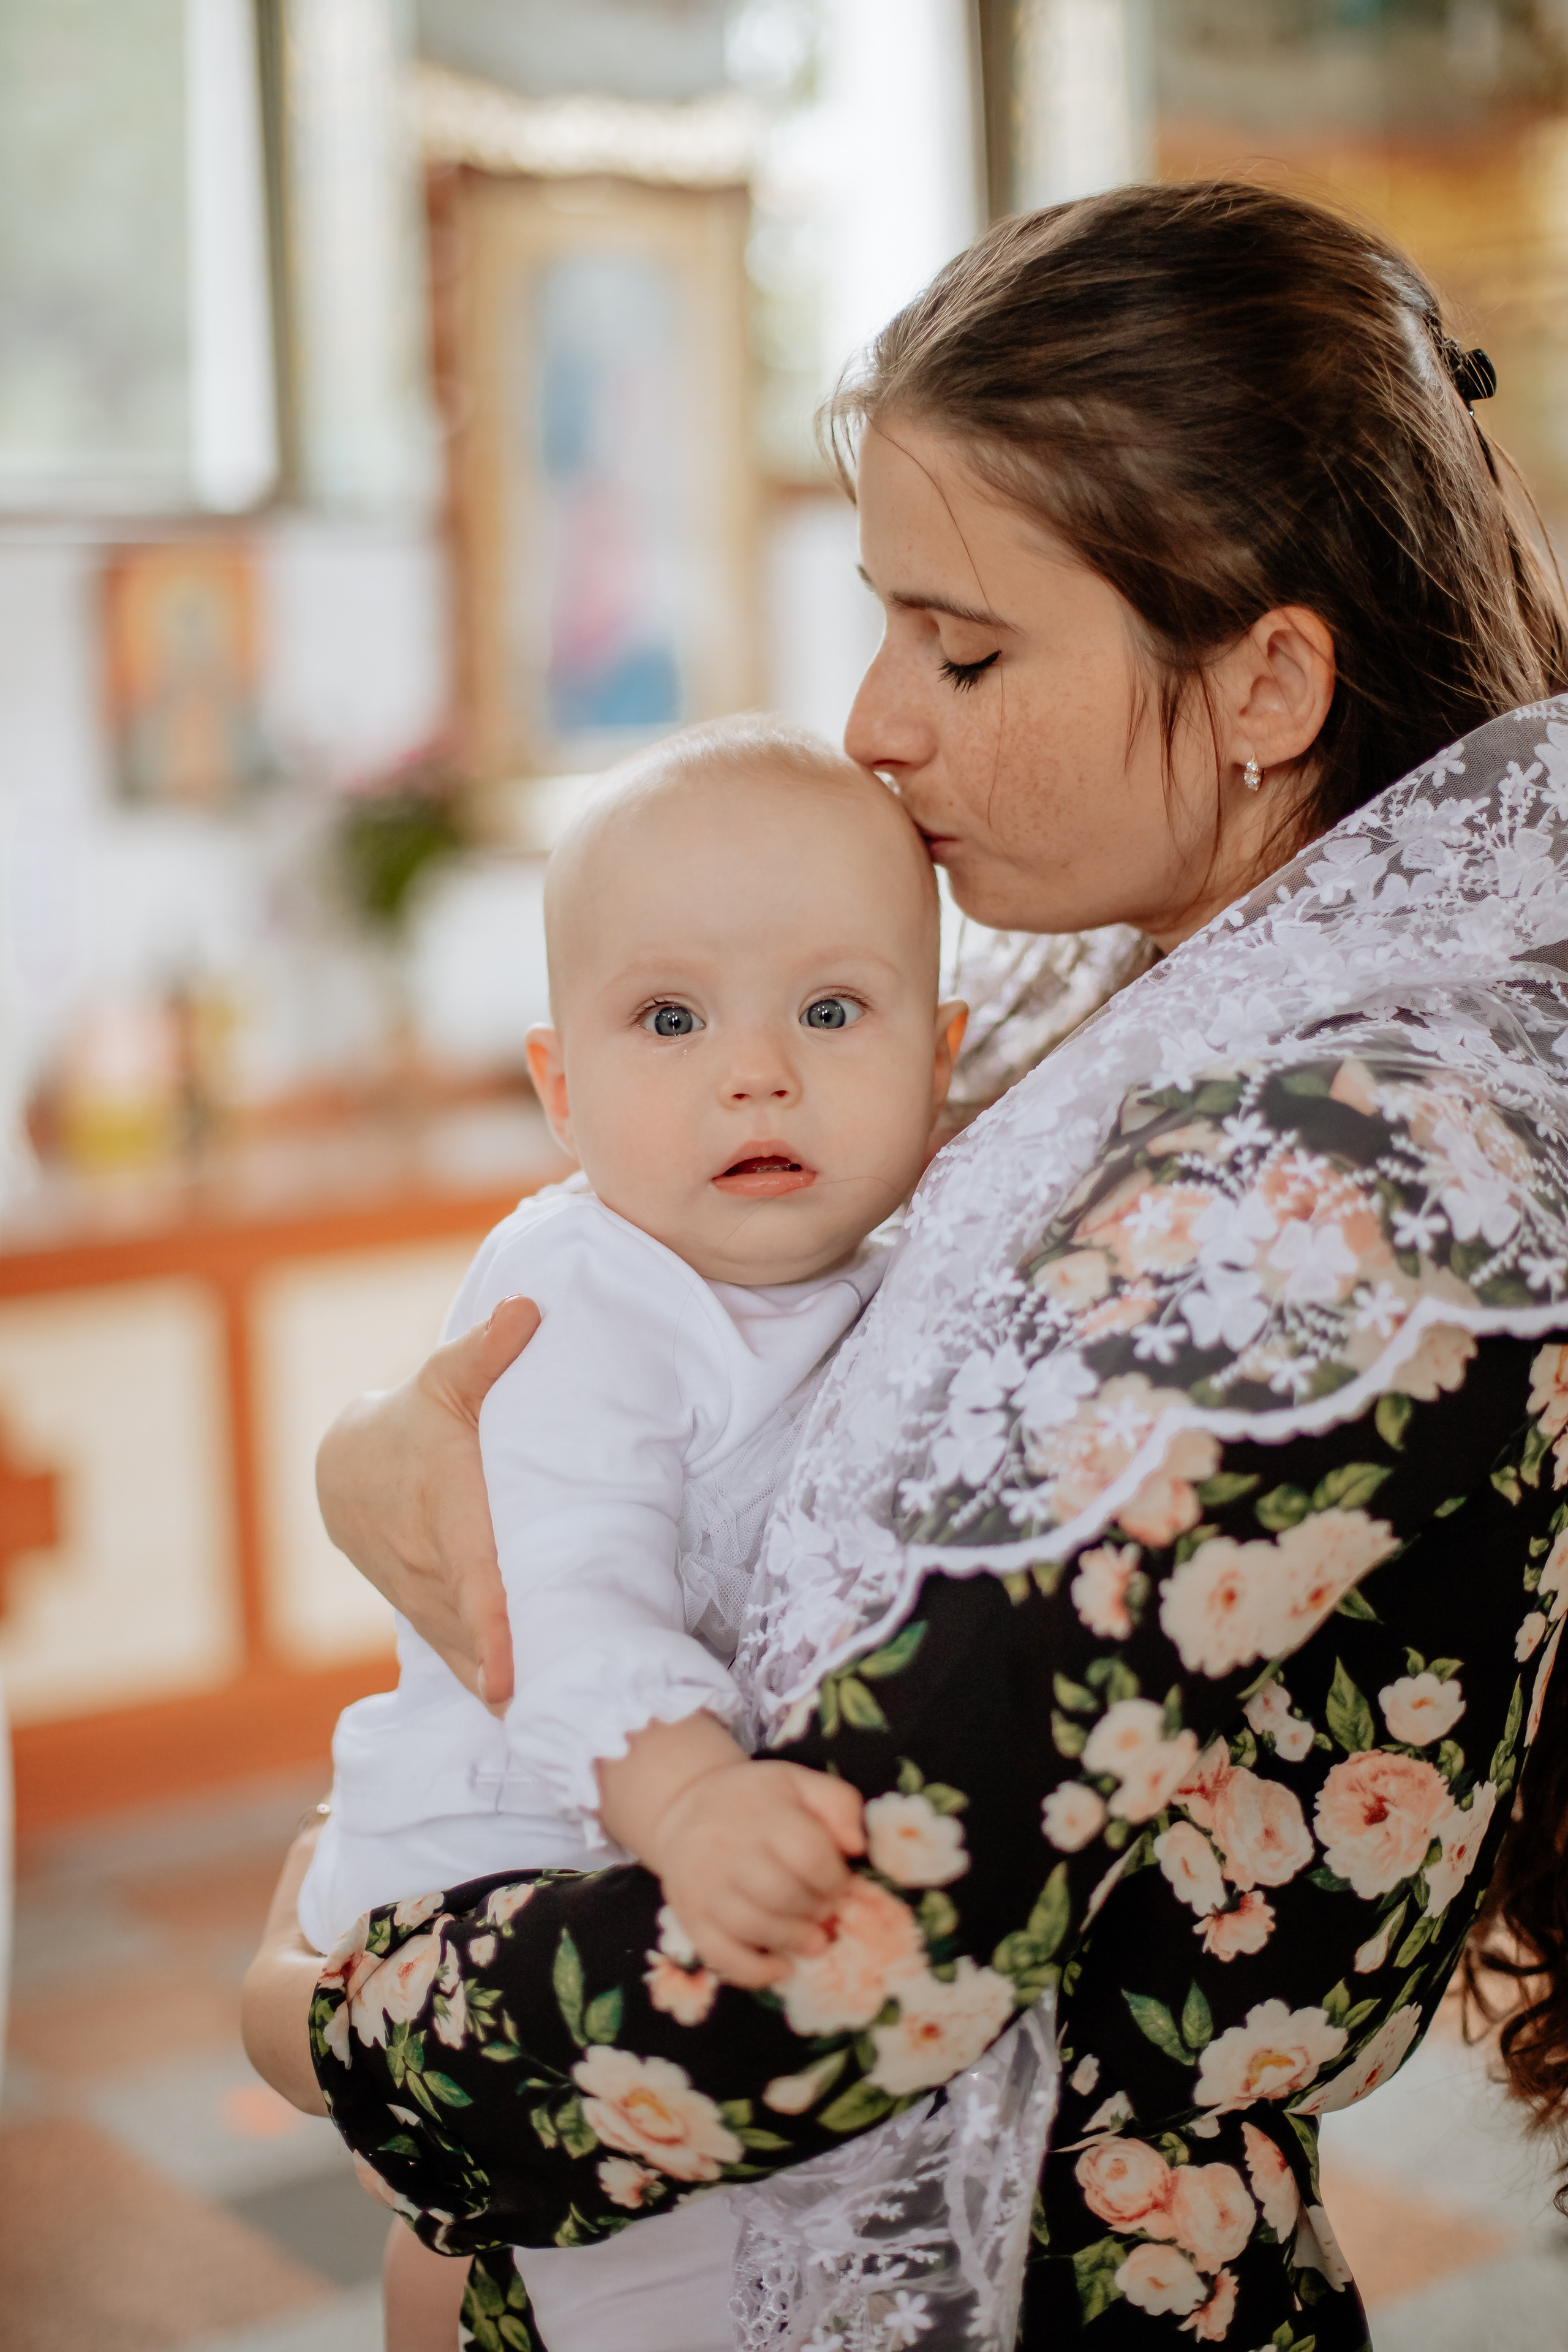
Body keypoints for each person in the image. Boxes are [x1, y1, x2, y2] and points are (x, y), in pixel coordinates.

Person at [244, 182, 1568, 2348]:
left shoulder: (1338, 1176)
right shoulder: (1121, 1016)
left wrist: (309, 2004)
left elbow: (823, 1980)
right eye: (879, 621)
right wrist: (393, 1468)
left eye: (961, 649)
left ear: (1268, 681)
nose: (875, 718)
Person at [295, 715, 968, 2347]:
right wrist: (690, 1793)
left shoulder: (877, 1276)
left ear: (944, 1059)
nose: (758, 1070)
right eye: (670, 1018)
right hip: (516, 1835)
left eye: (829, 1010)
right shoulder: (581, 1296)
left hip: (653, 1836)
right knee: (640, 2280)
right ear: (561, 1089)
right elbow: (565, 1590)